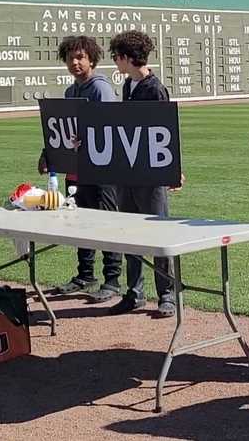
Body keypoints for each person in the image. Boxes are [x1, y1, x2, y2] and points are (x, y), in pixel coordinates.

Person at [39, 35, 123, 303]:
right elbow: (62, 131)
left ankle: (112, 280)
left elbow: (110, 129)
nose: (74, 63)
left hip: (103, 172)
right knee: (79, 223)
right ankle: (85, 275)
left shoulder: (101, 89)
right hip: (77, 171)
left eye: (80, 58)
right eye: (70, 58)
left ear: (91, 60)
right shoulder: (71, 92)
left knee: (106, 223)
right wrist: (48, 153)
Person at [104, 30, 178, 318]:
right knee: (130, 234)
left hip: (150, 176)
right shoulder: (127, 86)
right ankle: (134, 292)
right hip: (129, 173)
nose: (115, 62)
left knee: (158, 234)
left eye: (116, 57)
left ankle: (167, 294)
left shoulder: (154, 89)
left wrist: (173, 170)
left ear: (126, 57)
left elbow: (166, 131)